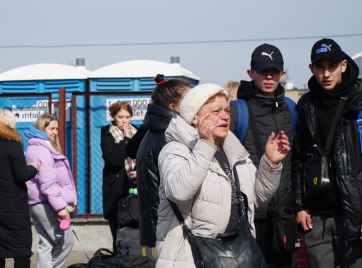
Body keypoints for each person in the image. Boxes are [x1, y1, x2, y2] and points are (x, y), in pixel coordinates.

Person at [156, 83, 290, 267]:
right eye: (216, 111)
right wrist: (205, 144)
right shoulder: (175, 149)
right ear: (195, 118)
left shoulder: (231, 149)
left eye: (226, 110)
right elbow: (178, 192)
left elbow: (259, 198)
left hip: (235, 253)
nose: (225, 115)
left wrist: (271, 163)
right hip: (190, 257)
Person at [293, 38, 362, 267]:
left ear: (343, 64)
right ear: (311, 69)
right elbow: (298, 158)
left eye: (331, 66)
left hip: (354, 216)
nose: (326, 73)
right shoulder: (305, 104)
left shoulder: (359, 101)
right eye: (319, 67)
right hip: (317, 219)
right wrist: (300, 205)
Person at [229, 43, 295, 267]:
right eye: (262, 70)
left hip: (285, 217)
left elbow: (297, 162)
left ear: (282, 74)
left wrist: (298, 206)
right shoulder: (236, 111)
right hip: (249, 219)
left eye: (274, 71)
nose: (269, 76)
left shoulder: (291, 109)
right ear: (250, 73)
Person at [0, 109, 39, 268]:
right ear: (10, 124)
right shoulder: (11, 144)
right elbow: (21, 175)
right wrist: (33, 168)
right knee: (21, 250)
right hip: (13, 204)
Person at [136, 74, 190, 248]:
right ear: (173, 107)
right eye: (188, 101)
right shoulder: (169, 137)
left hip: (160, 226)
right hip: (168, 230)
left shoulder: (157, 131)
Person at [25, 114, 77, 268]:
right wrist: (60, 207)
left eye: (56, 128)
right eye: (51, 128)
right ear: (42, 128)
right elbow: (48, 183)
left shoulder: (35, 146)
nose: (55, 132)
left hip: (36, 202)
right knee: (66, 240)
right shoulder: (42, 149)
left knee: (47, 242)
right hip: (45, 202)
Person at [101, 101, 138, 250]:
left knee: (136, 232)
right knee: (118, 234)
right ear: (113, 116)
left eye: (127, 117)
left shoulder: (138, 131)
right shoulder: (107, 133)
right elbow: (114, 160)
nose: (124, 120)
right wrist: (126, 140)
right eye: (120, 116)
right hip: (116, 189)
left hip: (134, 186)